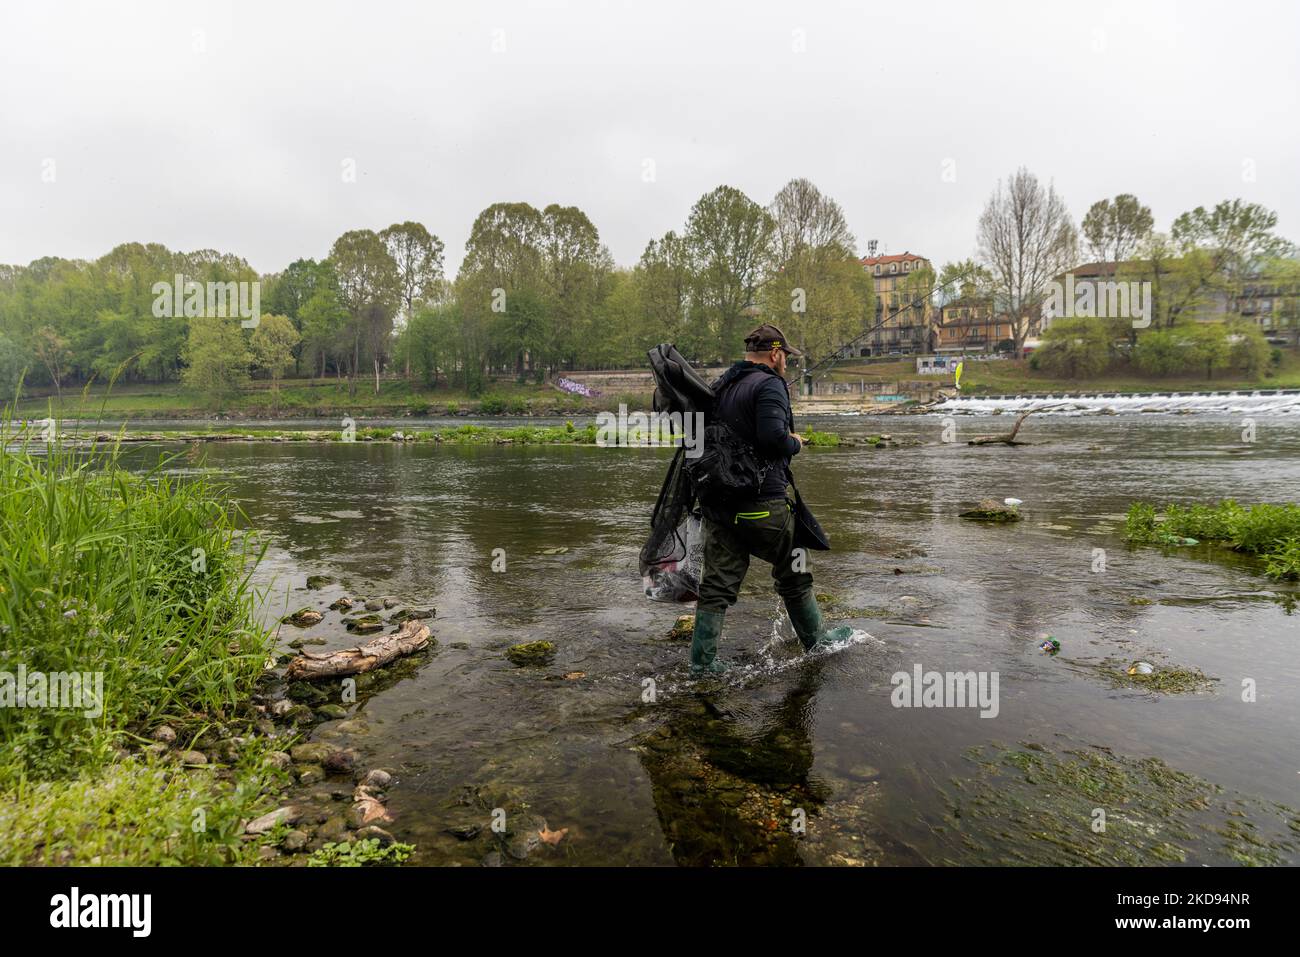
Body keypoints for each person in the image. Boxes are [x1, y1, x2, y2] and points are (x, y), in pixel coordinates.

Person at [690, 323, 851, 675]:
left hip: (719, 505)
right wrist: (796, 441)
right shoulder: (771, 385)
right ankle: (817, 642)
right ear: (776, 354)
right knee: (795, 571)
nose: (787, 365)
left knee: (716, 585)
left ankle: (702, 666)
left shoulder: (721, 385)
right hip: (763, 505)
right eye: (786, 358)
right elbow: (773, 439)